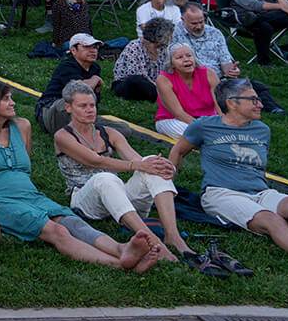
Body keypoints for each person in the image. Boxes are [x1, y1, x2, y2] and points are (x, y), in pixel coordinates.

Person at [0, 79, 159, 272]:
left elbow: (24, 167)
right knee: (56, 231)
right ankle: (120, 264)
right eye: (6, 99)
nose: (13, 103)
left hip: (31, 195)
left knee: (72, 222)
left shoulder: (22, 126)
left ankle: (121, 249)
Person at [51, 80, 207, 270]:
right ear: (68, 107)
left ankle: (172, 235)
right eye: (83, 106)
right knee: (106, 178)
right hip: (85, 200)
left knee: (150, 162)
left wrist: (158, 166)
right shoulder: (63, 136)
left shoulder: (109, 132)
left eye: (92, 105)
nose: (90, 110)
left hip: (117, 197)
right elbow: (95, 161)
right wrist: (138, 165)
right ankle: (153, 239)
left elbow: (137, 160)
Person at [171, 77, 288, 257]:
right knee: (272, 220)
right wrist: (169, 185)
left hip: (261, 192)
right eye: (253, 100)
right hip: (221, 193)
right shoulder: (204, 126)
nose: (260, 104)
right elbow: (178, 151)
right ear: (232, 103)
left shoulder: (262, 130)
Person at [173, 3, 284, 114]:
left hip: (220, 79)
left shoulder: (215, 33)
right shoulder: (174, 35)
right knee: (230, 92)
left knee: (256, 86)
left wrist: (231, 70)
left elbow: (225, 60)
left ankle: (275, 110)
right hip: (194, 81)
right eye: (194, 23)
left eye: (201, 22)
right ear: (183, 20)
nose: (198, 26)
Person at [36, 33, 117, 135]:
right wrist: (95, 79)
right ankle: (85, 131)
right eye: (86, 47)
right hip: (52, 110)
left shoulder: (95, 68)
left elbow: (94, 99)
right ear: (73, 50)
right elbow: (78, 91)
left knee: (124, 129)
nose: (93, 50)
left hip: (78, 113)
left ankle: (89, 130)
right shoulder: (67, 66)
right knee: (76, 100)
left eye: (95, 47)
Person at [154, 41, 219, 138]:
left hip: (207, 119)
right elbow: (178, 113)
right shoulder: (163, 79)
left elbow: (220, 105)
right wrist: (203, 128)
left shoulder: (209, 74)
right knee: (195, 134)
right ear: (171, 64)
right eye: (179, 57)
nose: (186, 59)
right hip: (173, 119)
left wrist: (224, 124)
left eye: (189, 55)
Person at [111, 17, 173, 101]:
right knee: (136, 81)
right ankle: (164, 95)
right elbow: (137, 75)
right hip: (128, 84)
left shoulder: (163, 49)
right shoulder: (134, 47)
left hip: (155, 83)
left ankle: (165, 94)